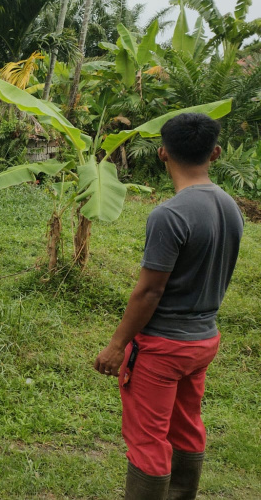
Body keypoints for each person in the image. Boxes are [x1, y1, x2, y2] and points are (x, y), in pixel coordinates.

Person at [94, 113, 244, 499]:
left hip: (162, 348)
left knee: (148, 440)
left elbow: (149, 293)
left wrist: (115, 346)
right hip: (202, 342)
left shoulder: (170, 215)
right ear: (216, 152)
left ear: (162, 153)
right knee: (186, 426)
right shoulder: (230, 207)